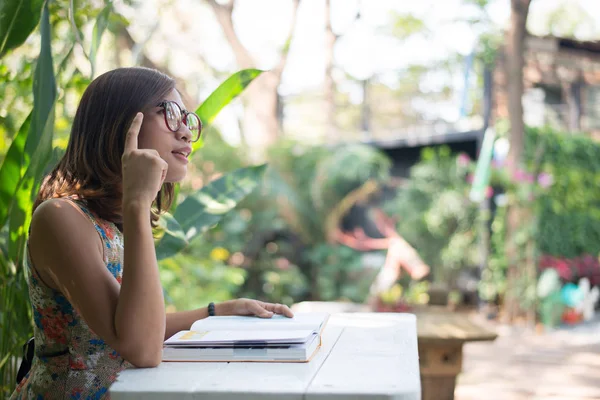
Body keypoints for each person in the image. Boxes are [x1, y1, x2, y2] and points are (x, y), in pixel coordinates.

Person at [10, 67, 293, 399]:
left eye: (188, 119)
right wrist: (137, 203)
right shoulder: (60, 217)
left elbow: (135, 326)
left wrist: (217, 311)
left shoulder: (111, 222)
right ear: (120, 123)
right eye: (170, 114)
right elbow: (142, 349)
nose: (186, 132)